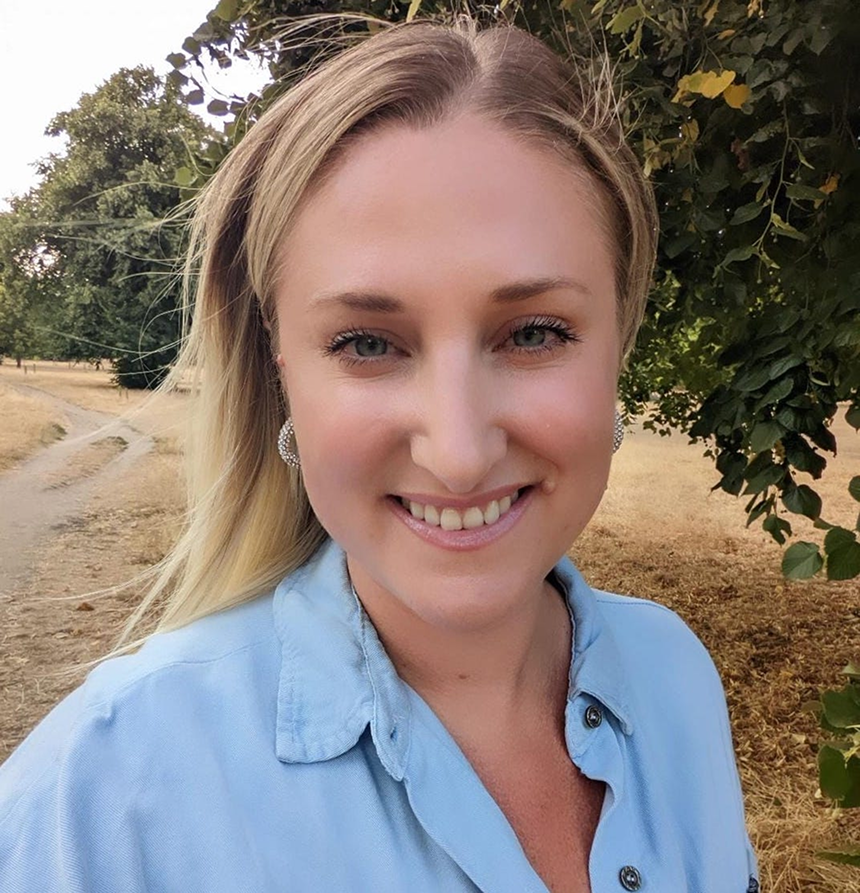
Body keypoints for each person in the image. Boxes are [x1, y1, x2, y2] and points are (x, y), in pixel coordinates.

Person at [0, 16, 759, 893]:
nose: (460, 450)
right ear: (281, 368)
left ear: (617, 344)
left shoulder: (676, 675)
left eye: (536, 332)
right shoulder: (106, 788)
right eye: (367, 343)